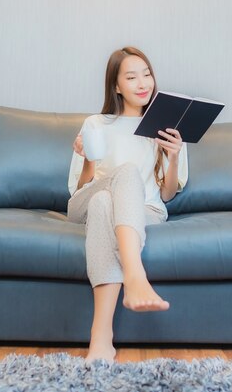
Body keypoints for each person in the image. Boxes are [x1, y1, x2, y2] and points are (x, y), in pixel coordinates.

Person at [66, 46, 189, 364]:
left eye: (147, 74)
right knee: (111, 187)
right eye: (131, 77)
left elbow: (167, 195)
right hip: (85, 202)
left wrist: (173, 156)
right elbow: (78, 189)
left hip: (144, 211)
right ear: (116, 86)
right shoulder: (96, 124)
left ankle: (101, 339)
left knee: (104, 205)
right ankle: (135, 276)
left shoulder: (167, 126)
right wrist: (89, 162)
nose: (142, 82)